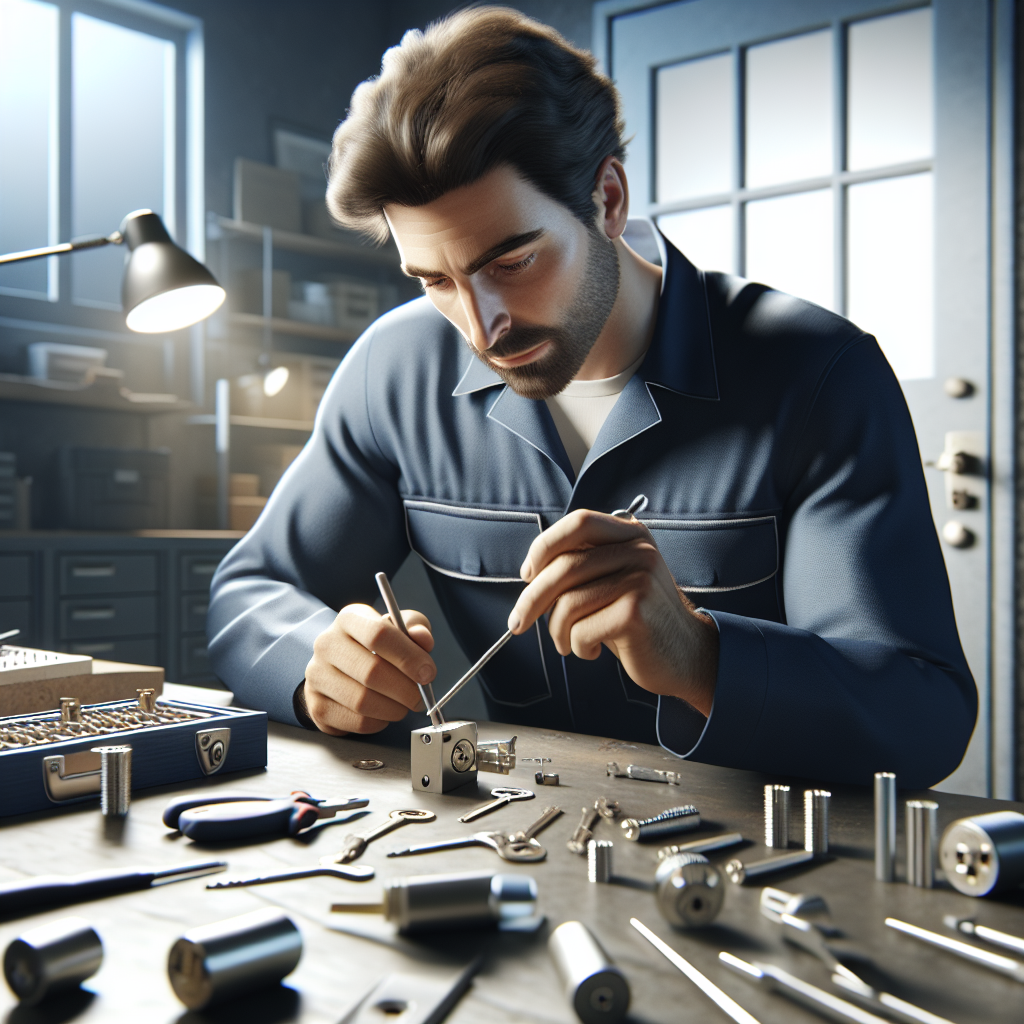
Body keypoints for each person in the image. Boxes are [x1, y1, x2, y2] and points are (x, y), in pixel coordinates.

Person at [207, 6, 976, 788]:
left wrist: (703, 656)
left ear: (607, 197)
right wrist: (318, 664)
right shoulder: (391, 370)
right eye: (435, 280)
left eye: (512, 261)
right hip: (501, 843)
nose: (481, 326)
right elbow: (249, 593)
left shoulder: (820, 375)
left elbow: (923, 716)